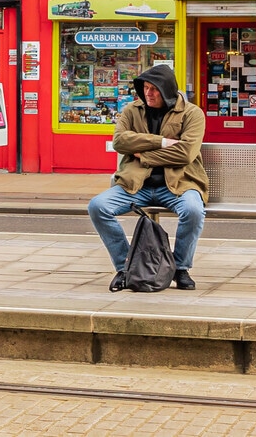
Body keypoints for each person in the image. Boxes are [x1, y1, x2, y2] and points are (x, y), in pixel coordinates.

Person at [88, 63, 207, 291]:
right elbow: (120, 142)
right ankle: (126, 267)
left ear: (167, 90)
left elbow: (186, 152)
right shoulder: (132, 110)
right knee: (98, 206)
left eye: (154, 89)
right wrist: (160, 142)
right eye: (145, 88)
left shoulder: (192, 114)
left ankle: (180, 268)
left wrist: (143, 155)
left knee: (193, 210)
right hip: (136, 186)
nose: (148, 94)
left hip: (179, 184)